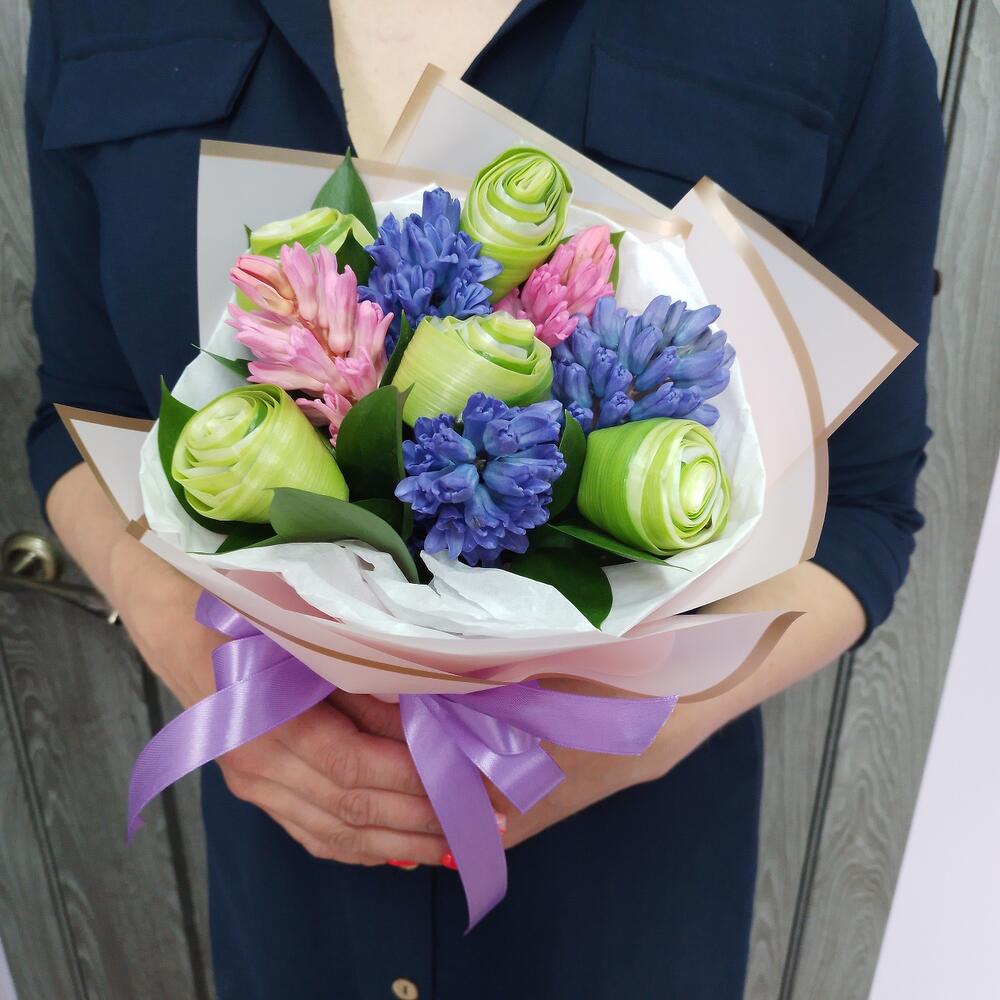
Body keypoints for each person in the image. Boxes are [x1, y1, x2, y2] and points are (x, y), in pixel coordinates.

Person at [24, 1, 944, 997]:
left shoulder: (832, 24)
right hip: (293, 898)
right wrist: (197, 651)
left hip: (613, 901)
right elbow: (79, 412)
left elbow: (862, 508)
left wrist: (632, 730)